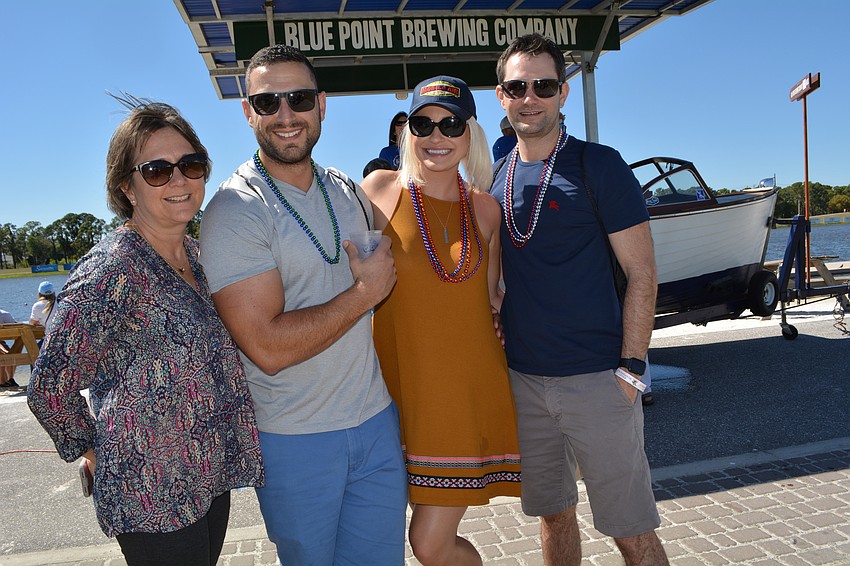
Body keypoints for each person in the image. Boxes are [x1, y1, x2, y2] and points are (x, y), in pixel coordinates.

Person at [27, 98, 264, 566]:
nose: (178, 180)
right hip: (150, 495)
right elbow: (49, 388)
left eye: (190, 165)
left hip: (206, 479)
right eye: (157, 171)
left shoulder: (199, 255)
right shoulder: (111, 269)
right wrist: (94, 447)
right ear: (127, 187)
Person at [199, 44, 407, 565]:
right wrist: (363, 296)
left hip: (376, 423)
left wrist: (492, 289)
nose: (286, 114)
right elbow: (267, 348)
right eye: (267, 102)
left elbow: (412, 249)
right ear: (248, 112)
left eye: (300, 98)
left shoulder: (346, 189)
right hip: (294, 440)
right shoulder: (234, 209)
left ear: (322, 105)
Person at [490, 34, 665, 565]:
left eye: (544, 86)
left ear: (563, 92)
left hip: (599, 379)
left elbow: (642, 273)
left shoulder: (599, 165)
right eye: (517, 87)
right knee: (553, 515)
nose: (530, 97)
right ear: (501, 96)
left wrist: (632, 368)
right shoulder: (496, 177)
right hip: (525, 381)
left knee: (631, 531)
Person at [361, 76, 521, 565]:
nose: (437, 135)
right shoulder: (378, 191)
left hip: (463, 396)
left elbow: (492, 299)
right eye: (424, 124)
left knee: (430, 543)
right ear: (407, 132)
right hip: (393, 394)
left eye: (451, 124)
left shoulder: (487, 209)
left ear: (471, 134)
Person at [0, 308, 19, 387]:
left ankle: (7, 380)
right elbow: (16, 326)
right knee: (8, 355)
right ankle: (5, 380)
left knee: (10, 355)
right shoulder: (4, 314)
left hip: (1, 341)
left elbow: (16, 326)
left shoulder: (4, 314)